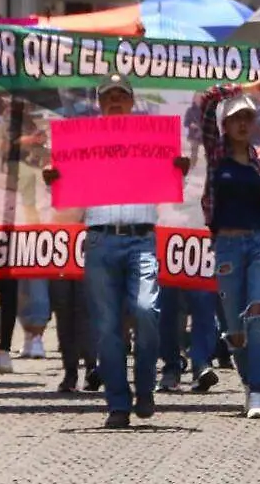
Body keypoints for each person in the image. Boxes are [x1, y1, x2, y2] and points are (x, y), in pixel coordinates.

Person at [43, 74, 184, 427]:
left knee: (146, 309)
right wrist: (54, 178)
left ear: (132, 102)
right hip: (101, 238)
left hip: (141, 237)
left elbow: (174, 180)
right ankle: (118, 404)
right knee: (106, 327)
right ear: (99, 103)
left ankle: (146, 386)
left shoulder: (151, 140)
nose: (116, 101)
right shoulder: (83, 143)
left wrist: (178, 169)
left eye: (122, 95)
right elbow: (65, 192)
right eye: (109, 96)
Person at [198, 79, 260, 419]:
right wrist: (246, 87)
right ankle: (249, 383)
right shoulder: (216, 153)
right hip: (227, 245)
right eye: (236, 118)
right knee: (235, 329)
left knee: (258, 315)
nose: (243, 123)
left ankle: (259, 391)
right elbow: (206, 101)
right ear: (225, 124)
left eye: (248, 117)